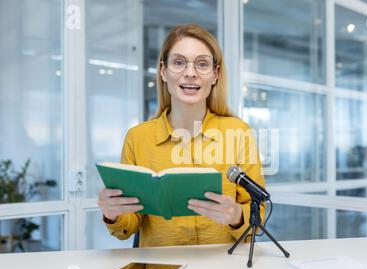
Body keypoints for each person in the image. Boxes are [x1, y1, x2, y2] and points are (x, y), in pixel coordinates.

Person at [97, 24, 265, 247]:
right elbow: (129, 225)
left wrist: (237, 216)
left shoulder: (239, 132)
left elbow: (258, 213)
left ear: (215, 75)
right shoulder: (138, 138)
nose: (190, 73)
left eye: (202, 64)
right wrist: (113, 214)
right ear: (163, 71)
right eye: (179, 62)